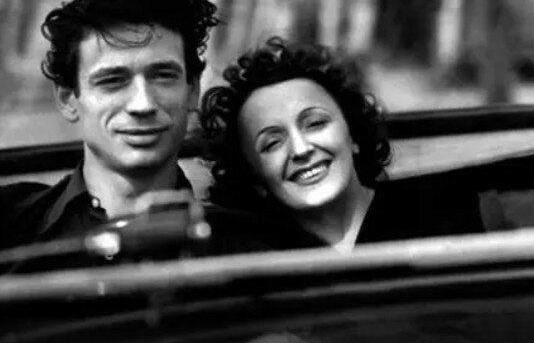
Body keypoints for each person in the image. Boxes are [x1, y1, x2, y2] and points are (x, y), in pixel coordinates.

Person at [0, 0, 221, 270]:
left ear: (193, 90)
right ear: (68, 99)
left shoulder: (238, 243)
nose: (143, 104)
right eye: (112, 81)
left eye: (163, 76)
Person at [201, 37, 485, 253]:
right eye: (272, 143)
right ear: (253, 176)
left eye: (315, 123)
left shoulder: (444, 213)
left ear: (354, 135)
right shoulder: (249, 258)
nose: (301, 150)